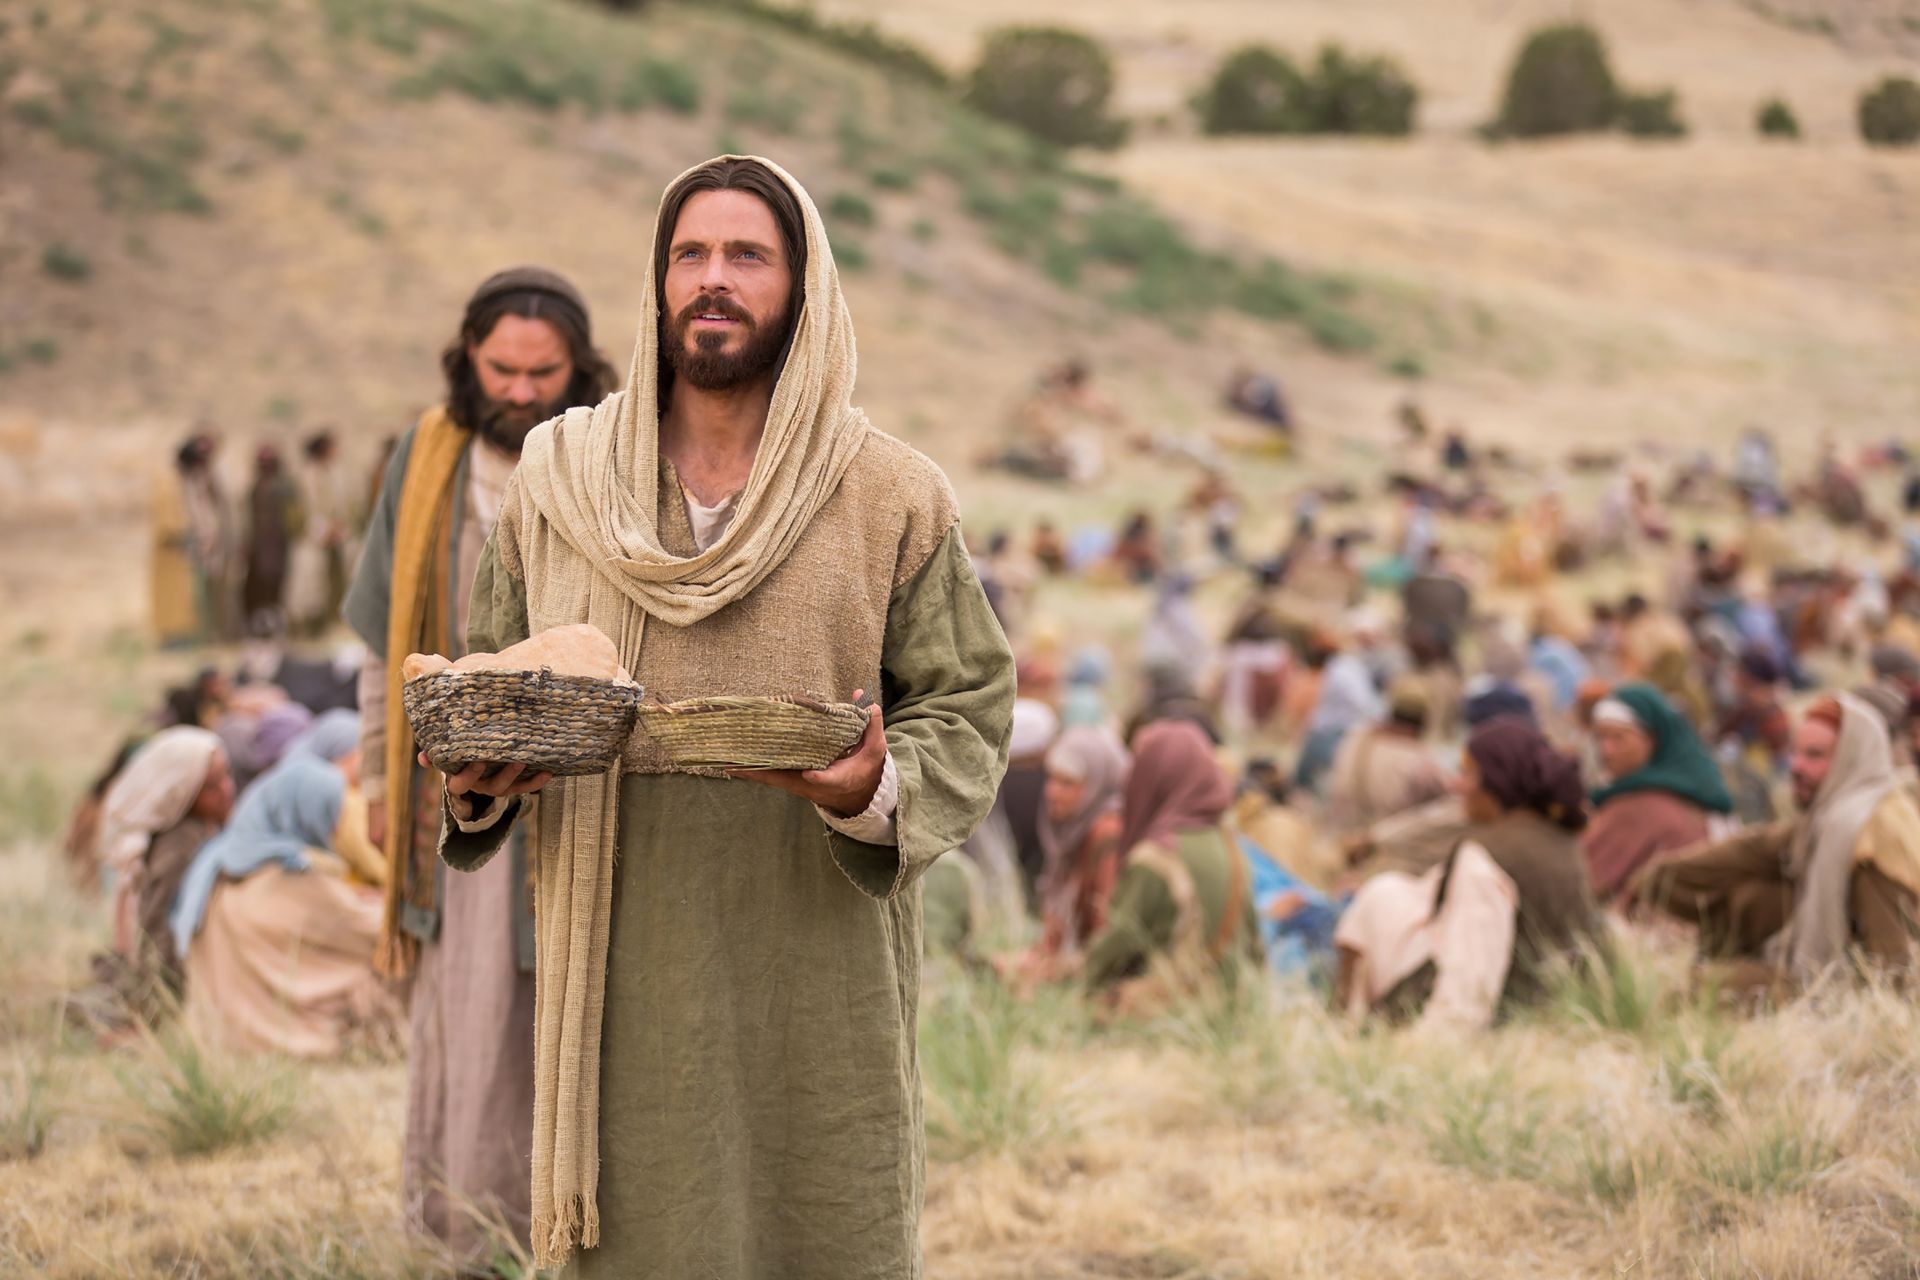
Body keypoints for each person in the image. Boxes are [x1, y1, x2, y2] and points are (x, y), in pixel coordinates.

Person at [435, 157, 1016, 1274]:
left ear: (805, 284)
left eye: (748, 255)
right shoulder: (556, 481)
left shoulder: (891, 493)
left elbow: (969, 704)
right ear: (657, 283)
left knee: (821, 1223)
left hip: (816, 963)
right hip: (622, 962)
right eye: (689, 254)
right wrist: (477, 776)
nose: (714, 279)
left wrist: (874, 788)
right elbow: (491, 678)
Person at [341, 264, 617, 1264]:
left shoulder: (618, 450)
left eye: (545, 372)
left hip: (594, 779)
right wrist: (380, 777)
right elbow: (385, 640)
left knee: (586, 1002)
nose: (521, 390)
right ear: (468, 358)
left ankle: (585, 1229)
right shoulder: (425, 459)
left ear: (577, 368)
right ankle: (476, 1231)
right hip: (454, 783)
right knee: (478, 1005)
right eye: (502, 368)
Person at [1633, 695, 1920, 990]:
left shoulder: (1873, 832)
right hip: (1815, 970)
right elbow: (1753, 850)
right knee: (1748, 897)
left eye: (1815, 755)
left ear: (1850, 759)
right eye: (1795, 752)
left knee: (1703, 993)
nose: (1796, 766)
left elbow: (1894, 969)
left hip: (1839, 988)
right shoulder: (1833, 815)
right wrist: (1654, 880)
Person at [1334, 719, 1603, 1029]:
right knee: (1387, 892)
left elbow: (1470, 981)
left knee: (1378, 898)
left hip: (1509, 1016)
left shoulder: (1485, 855)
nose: (1458, 784)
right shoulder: (1561, 840)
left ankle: (1348, 1029)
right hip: (1559, 1009)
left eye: (1470, 773)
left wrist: (1425, 1053)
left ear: (1500, 779)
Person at [169, 730, 393, 1057]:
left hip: (223, 1033)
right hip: (282, 1034)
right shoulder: (293, 880)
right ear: (304, 814)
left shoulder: (223, 865)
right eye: (329, 816)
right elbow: (377, 929)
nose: (332, 829)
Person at [1080, 721, 1254, 1010]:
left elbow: (1119, 942)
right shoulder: (1233, 849)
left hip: (1164, 1012)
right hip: (1226, 1008)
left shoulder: (1156, 857)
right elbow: (1252, 946)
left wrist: (1080, 983)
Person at [95, 727, 236, 1007]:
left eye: (226, 776)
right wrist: (161, 1000)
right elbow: (156, 929)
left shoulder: (205, 826)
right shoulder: (181, 845)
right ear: (181, 792)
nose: (226, 790)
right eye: (211, 786)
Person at [1582, 684, 1733, 902]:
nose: (1606, 750)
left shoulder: (1638, 803)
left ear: (1651, 740)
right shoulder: (1691, 787)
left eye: (1618, 738)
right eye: (1600, 738)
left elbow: (1585, 881)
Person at [1024, 726, 1129, 976]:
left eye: (1068, 783)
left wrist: (1053, 970)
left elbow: (1106, 932)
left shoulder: (1107, 834)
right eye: (1051, 778)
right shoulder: (1072, 829)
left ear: (1096, 785)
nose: (1052, 792)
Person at [1324, 680, 1450, 835]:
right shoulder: (1421, 761)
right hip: (1381, 848)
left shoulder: (1355, 737)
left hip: (1337, 836)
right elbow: (1449, 797)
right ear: (1424, 721)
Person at [150, 434, 232, 647]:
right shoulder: (168, 482)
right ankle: (173, 640)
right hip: (171, 553)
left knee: (188, 599)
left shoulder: (186, 481)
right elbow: (167, 522)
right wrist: (190, 537)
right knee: (172, 597)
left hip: (188, 551)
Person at [286, 429, 360, 637]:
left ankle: (335, 624)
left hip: (337, 538)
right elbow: (299, 512)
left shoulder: (338, 475)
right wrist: (320, 529)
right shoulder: (303, 476)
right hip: (312, 539)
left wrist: (339, 527)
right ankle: (308, 629)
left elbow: (346, 506)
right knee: (309, 585)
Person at [241, 444, 303, 635]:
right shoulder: (256, 487)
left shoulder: (285, 486)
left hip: (278, 545)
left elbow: (294, 519)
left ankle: (277, 626)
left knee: (278, 587)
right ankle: (263, 626)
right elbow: (249, 518)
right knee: (260, 588)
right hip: (260, 548)